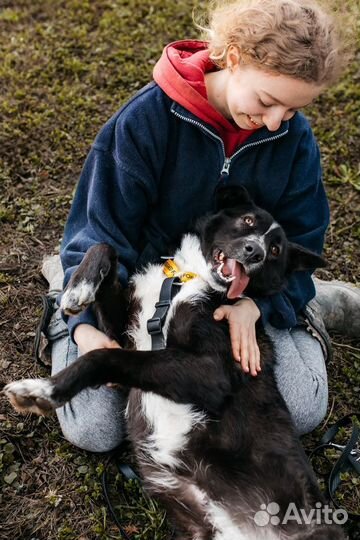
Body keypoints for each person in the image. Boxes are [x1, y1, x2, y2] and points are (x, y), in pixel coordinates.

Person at [47, 0, 359, 452]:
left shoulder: (294, 140)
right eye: (268, 101)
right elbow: (99, 232)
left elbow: (302, 237)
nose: (275, 121)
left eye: (291, 111)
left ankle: (308, 305)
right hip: (142, 292)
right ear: (233, 58)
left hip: (237, 296)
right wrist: (87, 330)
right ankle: (63, 294)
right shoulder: (144, 122)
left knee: (303, 407)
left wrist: (262, 308)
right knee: (95, 430)